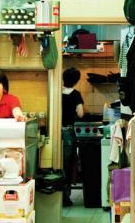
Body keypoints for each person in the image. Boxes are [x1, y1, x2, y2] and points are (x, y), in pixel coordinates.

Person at [62, 67, 84, 207]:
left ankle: (60, 197)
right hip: (68, 132)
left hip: (55, 132)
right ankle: (66, 198)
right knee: (68, 165)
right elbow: (81, 113)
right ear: (76, 81)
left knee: (59, 165)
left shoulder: (56, 92)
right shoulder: (75, 94)